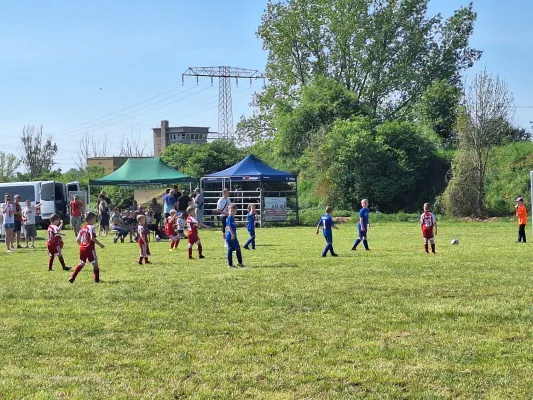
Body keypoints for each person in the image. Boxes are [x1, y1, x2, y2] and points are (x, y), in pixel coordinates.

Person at [69, 212, 105, 283]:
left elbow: (77, 240)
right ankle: (97, 280)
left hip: (82, 248)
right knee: (95, 264)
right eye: (95, 219)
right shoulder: (92, 227)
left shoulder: (82, 228)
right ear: (92, 219)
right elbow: (93, 238)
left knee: (81, 263)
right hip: (89, 248)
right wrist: (100, 245)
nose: (95, 220)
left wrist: (82, 245)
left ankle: (72, 276)